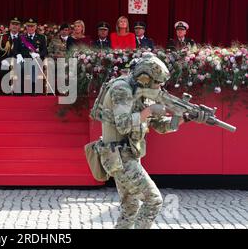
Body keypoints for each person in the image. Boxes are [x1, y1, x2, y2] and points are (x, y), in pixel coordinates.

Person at [90, 53, 210, 229]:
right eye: (157, 82)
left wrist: (186, 117)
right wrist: (150, 109)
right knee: (153, 200)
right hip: (119, 156)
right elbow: (123, 125)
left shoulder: (141, 91)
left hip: (128, 155)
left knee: (129, 209)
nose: (160, 87)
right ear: (145, 77)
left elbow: (161, 126)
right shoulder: (121, 89)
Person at [15, 18, 48, 94]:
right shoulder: (21, 37)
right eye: (29, 26)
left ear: (35, 27)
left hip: (35, 60)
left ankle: (33, 89)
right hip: (24, 59)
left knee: (34, 66)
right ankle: (20, 89)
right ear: (26, 27)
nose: (30, 28)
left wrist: (38, 54)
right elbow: (15, 50)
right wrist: (18, 55)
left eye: (32, 26)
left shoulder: (41, 37)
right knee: (21, 67)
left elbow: (45, 51)